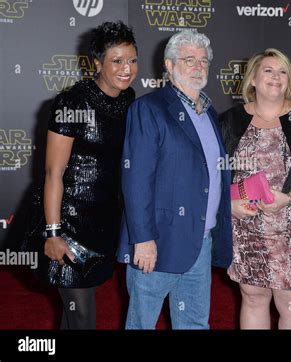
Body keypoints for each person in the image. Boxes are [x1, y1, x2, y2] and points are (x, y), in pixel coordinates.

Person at [117, 30, 232, 330]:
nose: (198, 66)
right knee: (142, 324)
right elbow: (136, 178)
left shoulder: (210, 114)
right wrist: (142, 239)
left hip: (200, 242)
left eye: (203, 61)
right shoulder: (148, 109)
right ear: (168, 65)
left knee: (194, 323)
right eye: (189, 59)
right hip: (158, 241)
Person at [26, 21, 138, 329]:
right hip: (68, 224)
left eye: (131, 60)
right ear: (97, 63)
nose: (126, 69)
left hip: (102, 223)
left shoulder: (129, 100)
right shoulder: (72, 102)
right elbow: (53, 173)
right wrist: (53, 232)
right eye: (117, 61)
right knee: (83, 317)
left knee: (74, 314)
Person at [219, 48, 291, 329]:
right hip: (246, 230)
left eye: (283, 71)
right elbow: (211, 173)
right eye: (268, 70)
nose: (276, 77)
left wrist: (289, 198)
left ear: (289, 81)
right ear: (253, 80)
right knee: (253, 299)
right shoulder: (230, 121)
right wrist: (227, 204)